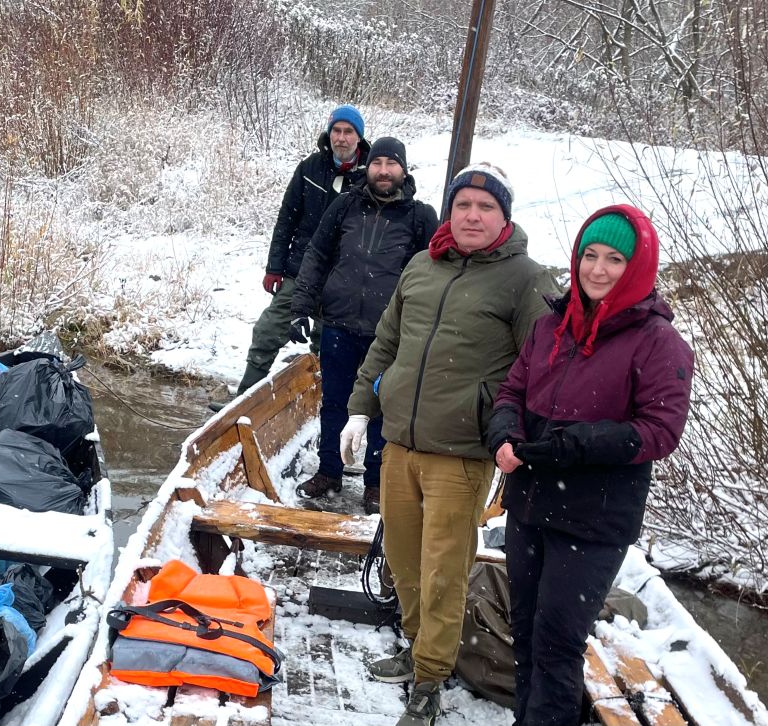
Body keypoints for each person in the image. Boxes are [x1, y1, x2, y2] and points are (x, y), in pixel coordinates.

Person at [341, 163, 557, 725]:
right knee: (403, 560)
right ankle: (417, 650)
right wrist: (360, 411)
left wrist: (520, 441)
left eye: (486, 207)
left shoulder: (525, 279)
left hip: (462, 454)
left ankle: (431, 678)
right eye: (463, 205)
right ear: (450, 210)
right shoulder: (422, 265)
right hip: (400, 446)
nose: (472, 215)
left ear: (504, 217)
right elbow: (386, 344)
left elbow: (544, 368)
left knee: (444, 570)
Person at [486, 205, 693, 726]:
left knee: (559, 641)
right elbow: (511, 391)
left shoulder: (658, 342)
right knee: (527, 629)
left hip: (594, 519)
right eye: (590, 256)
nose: (598, 269)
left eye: (615, 259)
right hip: (531, 502)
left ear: (639, 267)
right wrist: (504, 434)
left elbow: (659, 431)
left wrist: (576, 445)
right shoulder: (550, 326)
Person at [289, 137, 438, 515]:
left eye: (391, 164)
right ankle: (329, 471)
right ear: (367, 168)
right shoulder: (345, 206)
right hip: (338, 324)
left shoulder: (420, 217)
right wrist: (302, 306)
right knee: (335, 401)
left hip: (389, 334)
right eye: (377, 164)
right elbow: (318, 254)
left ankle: (375, 482)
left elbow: (435, 273)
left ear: (403, 170)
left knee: (383, 408)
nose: (383, 171)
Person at [209, 105, 370, 412]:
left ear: (358, 138)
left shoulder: (368, 179)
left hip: (341, 278)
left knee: (328, 348)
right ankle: (243, 404)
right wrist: (275, 267)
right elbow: (287, 219)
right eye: (336, 130)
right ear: (329, 133)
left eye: (348, 132)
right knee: (268, 331)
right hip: (301, 271)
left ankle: (318, 411)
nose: (341, 138)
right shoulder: (310, 168)